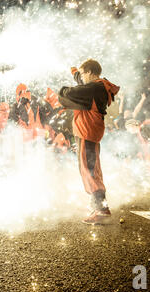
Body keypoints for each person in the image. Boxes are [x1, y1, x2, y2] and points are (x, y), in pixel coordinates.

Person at [58, 59, 119, 225]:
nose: (82, 77)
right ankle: (99, 206)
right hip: (89, 132)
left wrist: (62, 90)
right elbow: (82, 84)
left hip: (87, 131)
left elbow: (70, 92)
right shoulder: (97, 86)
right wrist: (76, 73)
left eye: (83, 73)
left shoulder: (94, 87)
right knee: (92, 169)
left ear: (91, 73)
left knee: (89, 170)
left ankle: (101, 210)